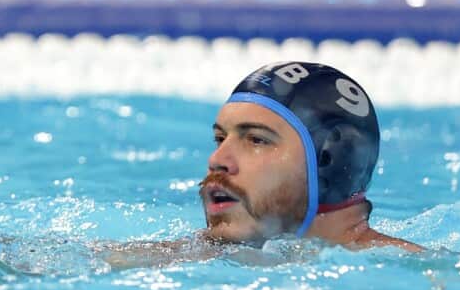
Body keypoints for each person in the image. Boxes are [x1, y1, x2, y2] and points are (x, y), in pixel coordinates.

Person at [109, 61, 421, 267]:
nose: (217, 160)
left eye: (256, 140)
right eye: (221, 139)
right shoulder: (193, 257)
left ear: (327, 161)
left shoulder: (412, 272)